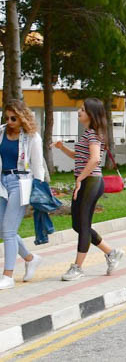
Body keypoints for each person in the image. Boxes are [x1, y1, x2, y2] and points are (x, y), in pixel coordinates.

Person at [52, 98, 123, 281]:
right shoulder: (89, 134)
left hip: (90, 181)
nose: (79, 111)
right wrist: (62, 148)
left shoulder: (93, 134)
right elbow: (79, 156)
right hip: (87, 180)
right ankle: (111, 252)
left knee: (83, 225)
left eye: (83, 109)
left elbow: (94, 160)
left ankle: (77, 267)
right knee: (78, 225)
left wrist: (80, 180)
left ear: (91, 114)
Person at [0, 101, 46, 288]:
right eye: (7, 117)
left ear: (22, 117)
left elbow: (37, 165)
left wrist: (40, 188)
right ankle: (30, 258)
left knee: (9, 232)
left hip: (21, 183)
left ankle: (8, 276)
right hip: (2, 183)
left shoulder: (31, 137)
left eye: (14, 118)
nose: (10, 121)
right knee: (3, 229)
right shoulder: (1, 131)